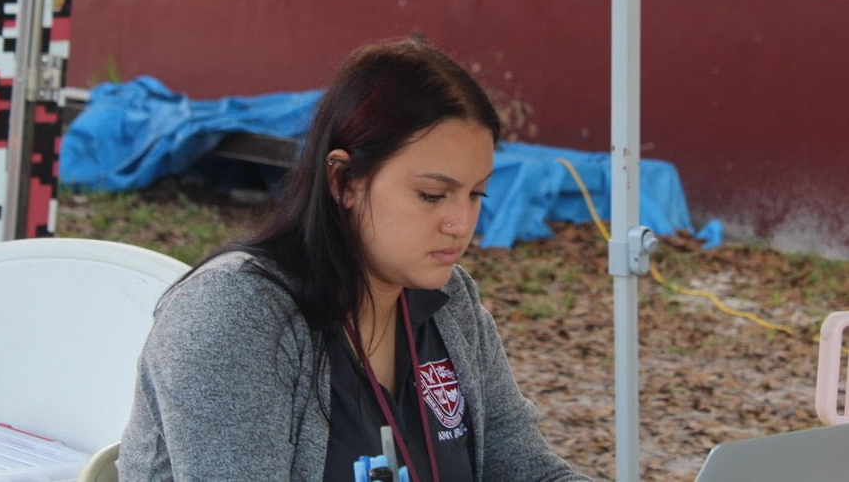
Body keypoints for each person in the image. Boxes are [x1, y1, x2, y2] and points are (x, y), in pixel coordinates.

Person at [119, 37, 591, 482]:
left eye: (476, 194)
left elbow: (528, 469)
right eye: (432, 195)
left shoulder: (450, 300)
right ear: (344, 181)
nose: (461, 224)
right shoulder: (234, 312)